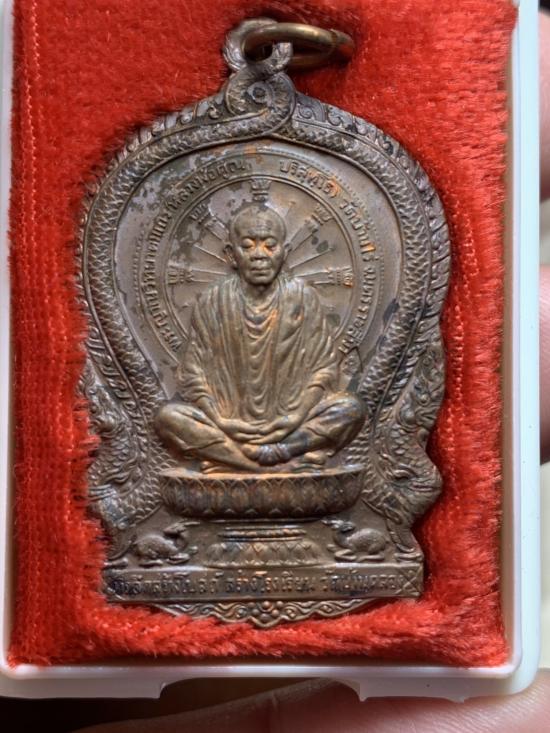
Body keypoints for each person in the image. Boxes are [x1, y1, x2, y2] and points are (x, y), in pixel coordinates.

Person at [155, 203, 365, 472]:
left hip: (292, 424)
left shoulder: (302, 298)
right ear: (231, 255)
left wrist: (295, 417)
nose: (259, 255)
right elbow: (193, 373)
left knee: (351, 409)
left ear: (284, 252)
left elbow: (323, 370)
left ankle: (263, 455)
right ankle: (271, 466)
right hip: (228, 427)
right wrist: (219, 419)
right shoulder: (213, 301)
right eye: (247, 245)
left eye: (269, 245)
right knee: (168, 418)